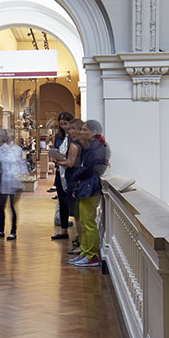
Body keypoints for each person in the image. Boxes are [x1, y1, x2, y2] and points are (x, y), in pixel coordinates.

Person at [66, 119, 109, 268]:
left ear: (93, 132)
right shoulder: (93, 146)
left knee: (88, 222)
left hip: (90, 186)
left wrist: (76, 175)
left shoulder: (97, 146)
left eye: (85, 130)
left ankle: (91, 255)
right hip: (86, 185)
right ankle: (85, 252)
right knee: (84, 221)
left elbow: (90, 168)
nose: (81, 132)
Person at [50, 117, 85, 254]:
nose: (67, 129)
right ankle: (80, 244)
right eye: (63, 125)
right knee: (73, 211)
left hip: (73, 178)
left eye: (69, 127)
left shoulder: (76, 144)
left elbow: (70, 163)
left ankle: (83, 246)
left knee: (79, 215)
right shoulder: (64, 139)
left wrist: (58, 161)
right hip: (67, 176)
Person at [0, 129, 24, 240]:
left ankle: (13, 231)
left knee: (12, 207)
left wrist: (20, 177)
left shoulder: (17, 150)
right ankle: (0, 230)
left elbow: (22, 165)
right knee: (1, 206)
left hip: (14, 181)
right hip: (2, 181)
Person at [50, 112, 75, 241]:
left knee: (71, 201)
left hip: (70, 173)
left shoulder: (74, 137)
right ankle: (63, 229)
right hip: (60, 172)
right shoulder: (58, 136)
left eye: (65, 123)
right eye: (61, 124)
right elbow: (55, 149)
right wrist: (55, 156)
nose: (63, 126)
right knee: (62, 201)